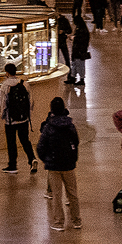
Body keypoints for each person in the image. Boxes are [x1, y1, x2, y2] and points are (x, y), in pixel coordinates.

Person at [38, 96, 83, 229]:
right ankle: (76, 220)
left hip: (54, 165)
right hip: (68, 164)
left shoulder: (48, 127)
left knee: (56, 195)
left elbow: (41, 146)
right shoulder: (70, 125)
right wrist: (73, 157)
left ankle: (59, 222)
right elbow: (76, 141)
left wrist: (46, 159)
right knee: (72, 193)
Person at [0, 63, 37, 172]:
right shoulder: (24, 83)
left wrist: (2, 116)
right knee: (25, 140)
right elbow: (31, 101)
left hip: (10, 120)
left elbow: (2, 104)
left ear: (7, 73)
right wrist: (27, 113)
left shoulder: (5, 85)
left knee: (11, 142)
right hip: (23, 119)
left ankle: (13, 165)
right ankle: (32, 159)